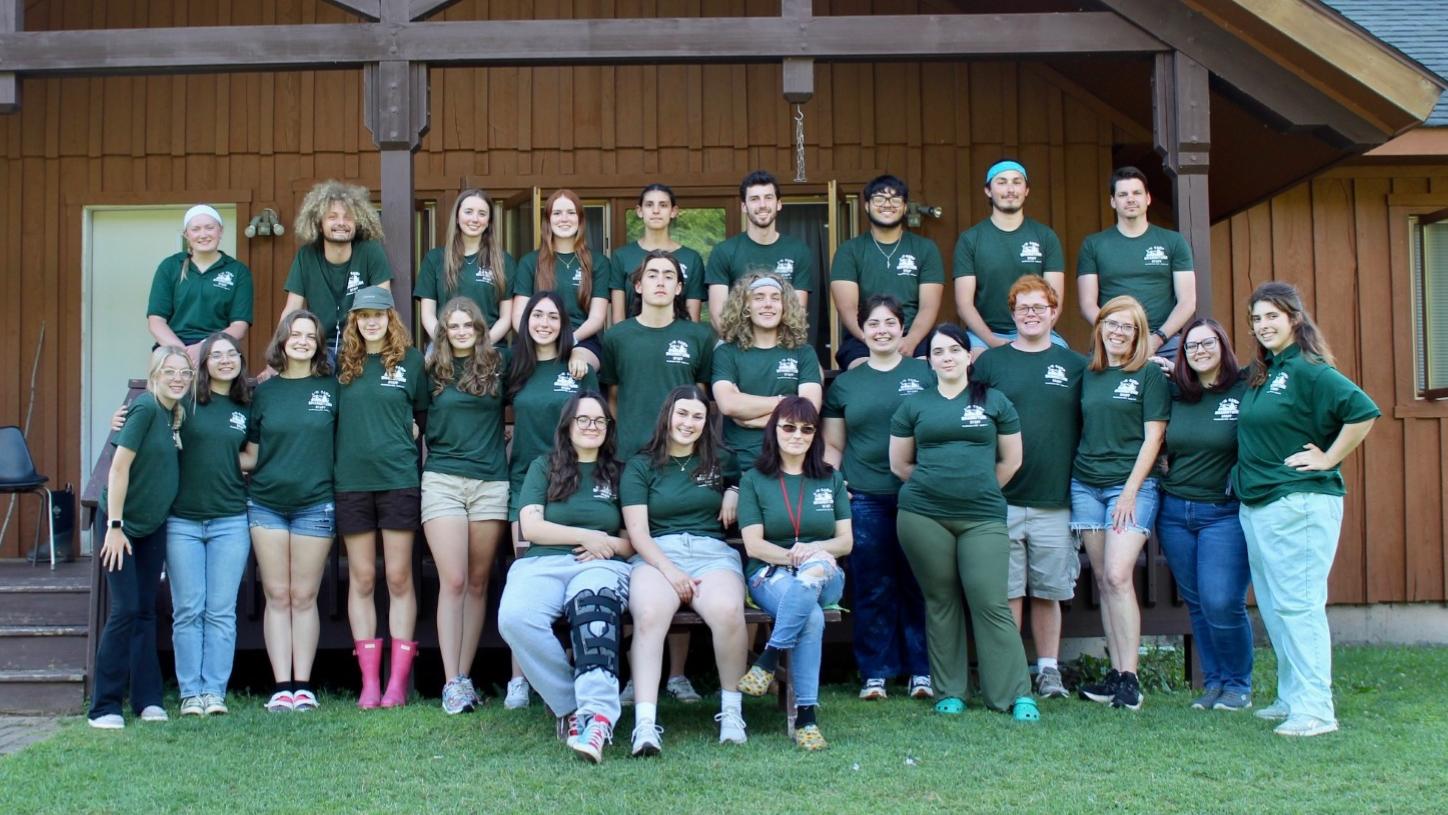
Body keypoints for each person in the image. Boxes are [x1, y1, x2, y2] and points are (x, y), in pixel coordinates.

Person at [1232, 281, 1378, 737]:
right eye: (1256, 318)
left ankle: (1316, 710)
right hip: (1259, 504)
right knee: (1276, 606)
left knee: (1299, 606)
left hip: (1299, 503)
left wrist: (1328, 458)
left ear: (1294, 318)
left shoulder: (1309, 369)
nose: (1263, 325)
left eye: (1271, 316)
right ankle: (1292, 696)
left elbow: (1363, 411)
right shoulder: (1268, 370)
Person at [888, 324, 1037, 722]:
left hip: (983, 517)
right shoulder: (914, 406)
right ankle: (950, 691)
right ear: (930, 360)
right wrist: (938, 486)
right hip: (923, 515)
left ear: (969, 355)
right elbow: (900, 464)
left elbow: (1012, 461)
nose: (947, 357)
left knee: (990, 602)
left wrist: (978, 487)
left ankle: (1014, 694)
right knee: (940, 602)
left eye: (954, 350)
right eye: (938, 352)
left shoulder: (995, 401)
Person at [498, 391, 636, 765]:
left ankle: (596, 717)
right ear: (568, 426)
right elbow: (531, 527)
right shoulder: (544, 467)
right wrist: (585, 535)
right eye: (583, 420)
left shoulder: (622, 472)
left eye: (599, 421)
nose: (591, 427)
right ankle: (571, 704)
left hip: (600, 565)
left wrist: (603, 543)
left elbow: (633, 541)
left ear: (609, 429)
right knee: (514, 617)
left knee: (593, 609)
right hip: (543, 564)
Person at [972, 276, 1086, 699]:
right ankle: (1012, 670)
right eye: (1023, 307)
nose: (1032, 314)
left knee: (1048, 590)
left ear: (1054, 312)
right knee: (1007, 591)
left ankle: (1049, 670)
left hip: (1054, 498)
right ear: (1012, 314)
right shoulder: (991, 364)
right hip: (1000, 497)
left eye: (1040, 307)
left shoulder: (1074, 365)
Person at [622, 386, 748, 755]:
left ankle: (731, 712)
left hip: (711, 554)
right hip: (657, 554)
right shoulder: (641, 464)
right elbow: (637, 533)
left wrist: (734, 490)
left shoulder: (720, 460)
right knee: (648, 614)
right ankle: (645, 723)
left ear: (706, 422)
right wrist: (671, 570)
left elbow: (748, 477)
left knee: (727, 611)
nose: (688, 423)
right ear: (667, 415)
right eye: (682, 414)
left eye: (697, 416)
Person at [821, 295, 933, 701]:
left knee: (920, 581)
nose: (882, 330)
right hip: (864, 496)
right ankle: (875, 673)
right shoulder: (847, 384)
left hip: (918, 495)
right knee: (872, 584)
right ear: (862, 330)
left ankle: (922, 670)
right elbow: (833, 446)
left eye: (890, 323)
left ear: (903, 328)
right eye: (873, 323)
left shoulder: (925, 375)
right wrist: (836, 487)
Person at [736, 398, 853, 751]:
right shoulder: (754, 480)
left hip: (824, 574)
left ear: (816, 435)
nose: (797, 435)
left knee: (813, 572)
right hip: (771, 574)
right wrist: (794, 555)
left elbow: (845, 542)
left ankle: (768, 658)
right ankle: (806, 719)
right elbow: (754, 546)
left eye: (806, 428)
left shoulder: (830, 479)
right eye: (788, 427)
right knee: (812, 617)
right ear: (774, 430)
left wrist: (814, 554)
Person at [1071, 296, 1169, 711]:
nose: (1117, 332)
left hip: (1130, 488)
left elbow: (1154, 437)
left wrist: (1130, 489)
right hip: (1084, 486)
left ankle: (1130, 678)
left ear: (1138, 334)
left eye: (1127, 327)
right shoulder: (1088, 373)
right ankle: (1114, 674)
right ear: (1100, 328)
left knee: (1117, 574)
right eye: (1112, 324)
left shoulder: (1148, 374)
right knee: (1103, 580)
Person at [334, 286, 430, 709]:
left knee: (398, 577)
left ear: (391, 317)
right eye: (363, 315)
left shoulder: (410, 361)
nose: (371, 321)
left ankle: (397, 682)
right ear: (353, 320)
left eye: (379, 314)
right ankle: (369, 681)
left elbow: (424, 418)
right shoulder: (342, 363)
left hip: (398, 479)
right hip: (352, 481)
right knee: (362, 578)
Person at [502, 291, 598, 708]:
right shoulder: (513, 364)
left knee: (577, 572)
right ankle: (520, 680)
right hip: (525, 479)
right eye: (536, 315)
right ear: (526, 321)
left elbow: (597, 417)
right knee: (525, 577)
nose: (544, 322)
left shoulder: (576, 366)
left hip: (574, 482)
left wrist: (580, 349)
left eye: (553, 316)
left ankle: (576, 665)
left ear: (564, 324)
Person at [88, 346, 191, 729]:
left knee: (147, 611)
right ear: (154, 375)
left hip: (152, 527)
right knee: (125, 609)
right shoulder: (146, 408)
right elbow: (118, 470)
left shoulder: (172, 415)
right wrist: (115, 527)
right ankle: (104, 706)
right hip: (121, 527)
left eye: (185, 372)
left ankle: (147, 700)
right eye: (170, 371)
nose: (178, 378)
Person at [1157, 318, 1253, 713]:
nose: (1199, 351)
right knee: (1197, 602)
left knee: (1221, 600)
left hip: (1223, 513)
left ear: (1223, 345)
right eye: (1191, 346)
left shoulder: (1244, 387)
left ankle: (1238, 684)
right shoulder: (1178, 394)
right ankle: (1213, 683)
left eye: (1207, 343)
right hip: (1175, 511)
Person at [245, 310, 338, 712]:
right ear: (282, 341)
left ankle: (304, 686)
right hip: (266, 503)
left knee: (304, 595)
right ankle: (281, 686)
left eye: (310, 335)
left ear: (318, 344)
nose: (301, 341)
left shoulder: (333, 389)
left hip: (316, 504)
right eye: (294, 334)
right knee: (277, 594)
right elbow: (250, 454)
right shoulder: (264, 393)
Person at [423, 298, 510, 714]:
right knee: (454, 580)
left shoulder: (498, 364)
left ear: (480, 329)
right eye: (452, 326)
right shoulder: (430, 370)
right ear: (443, 330)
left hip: (491, 482)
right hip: (443, 480)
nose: (460, 332)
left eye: (467, 326)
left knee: (478, 581)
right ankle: (450, 680)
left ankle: (465, 676)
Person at [166, 333, 254, 717]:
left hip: (230, 520)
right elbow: (150, 419)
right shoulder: (184, 401)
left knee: (220, 610)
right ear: (202, 364)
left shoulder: (245, 405)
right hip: (182, 520)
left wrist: (225, 463)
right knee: (188, 608)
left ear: (239, 361)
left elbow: (253, 454)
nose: (224, 360)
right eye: (215, 355)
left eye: (231, 354)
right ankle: (190, 692)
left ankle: (214, 692)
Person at [600, 250, 715, 459]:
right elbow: (613, 397)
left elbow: (701, 395)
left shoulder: (700, 336)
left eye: (669, 276)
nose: (660, 282)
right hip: (630, 455)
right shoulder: (616, 337)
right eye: (652, 275)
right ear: (638, 286)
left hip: (681, 453)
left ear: (679, 288)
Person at [1076, 167, 1195, 359]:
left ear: (1148, 198)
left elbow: (1187, 302)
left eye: (1136, 193)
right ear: (1113, 202)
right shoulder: (1093, 244)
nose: (1130, 199)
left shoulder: (1174, 242)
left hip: (1164, 341)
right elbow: (1087, 304)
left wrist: (1157, 339)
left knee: (1188, 379)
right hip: (1113, 340)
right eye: (1122, 194)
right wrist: (1117, 334)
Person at [953, 160, 1067, 358]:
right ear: (988, 190)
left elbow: (1054, 300)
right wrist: (992, 341)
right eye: (1002, 182)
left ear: (1027, 189)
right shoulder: (971, 239)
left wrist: (1032, 336)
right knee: (976, 364)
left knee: (1061, 364)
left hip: (1037, 330)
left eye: (1017, 182)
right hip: (984, 335)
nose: (1010, 189)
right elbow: (964, 305)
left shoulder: (1046, 236)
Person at [712, 272, 822, 475]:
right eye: (759, 297)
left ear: (785, 306)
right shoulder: (726, 352)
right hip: (739, 466)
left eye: (775, 298)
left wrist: (749, 418)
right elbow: (728, 404)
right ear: (746, 306)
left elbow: (809, 410)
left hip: (791, 465)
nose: (768, 304)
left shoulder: (803, 352)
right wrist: (787, 401)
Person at [829, 175, 944, 368]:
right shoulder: (849, 251)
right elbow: (847, 308)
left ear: (905, 206)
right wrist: (872, 340)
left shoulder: (925, 248)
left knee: (927, 372)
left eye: (895, 199)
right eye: (879, 198)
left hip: (912, 337)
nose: (887, 204)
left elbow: (928, 307)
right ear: (866, 205)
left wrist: (911, 341)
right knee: (863, 371)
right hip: (863, 337)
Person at [280, 181, 392, 360]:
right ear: (319, 222)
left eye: (348, 217)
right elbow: (292, 309)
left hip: (362, 344)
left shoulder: (370, 251)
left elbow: (384, 303)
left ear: (358, 221)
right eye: (332, 217)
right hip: (317, 346)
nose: (341, 223)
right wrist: (278, 354)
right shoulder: (306, 255)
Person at [511, 189, 610, 370]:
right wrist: (539, 341)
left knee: (579, 369)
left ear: (580, 219)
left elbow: (597, 317)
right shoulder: (529, 262)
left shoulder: (598, 262)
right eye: (557, 213)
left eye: (571, 213)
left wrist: (569, 340)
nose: (564, 218)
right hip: (536, 339)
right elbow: (518, 316)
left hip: (580, 339)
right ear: (548, 220)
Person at [705, 170, 813, 330]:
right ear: (744, 206)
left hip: (784, 345)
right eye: (754, 199)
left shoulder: (798, 251)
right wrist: (747, 347)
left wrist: (770, 346)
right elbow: (718, 316)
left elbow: (797, 313)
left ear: (779, 203)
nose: (762, 205)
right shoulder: (724, 251)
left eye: (768, 198)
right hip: (737, 346)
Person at [145, 205, 253, 362]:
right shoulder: (170, 266)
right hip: (173, 348)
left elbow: (239, 326)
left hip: (218, 350)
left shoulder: (238, 271)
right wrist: (183, 354)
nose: (203, 234)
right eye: (196, 229)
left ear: (220, 231)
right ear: (186, 234)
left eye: (209, 228)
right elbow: (156, 322)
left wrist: (205, 348)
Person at [417, 188, 514, 346]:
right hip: (444, 348)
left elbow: (506, 318)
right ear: (457, 217)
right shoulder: (434, 259)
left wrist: (482, 345)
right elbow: (427, 315)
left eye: (482, 214)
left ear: (489, 221)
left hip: (490, 347)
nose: (475, 219)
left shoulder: (504, 261)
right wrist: (447, 345)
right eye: (468, 212)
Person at [609, 184, 706, 323]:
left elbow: (693, 320)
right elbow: (618, 319)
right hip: (633, 340)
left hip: (677, 342)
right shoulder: (622, 256)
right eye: (649, 205)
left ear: (673, 211)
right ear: (639, 211)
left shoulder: (691, 258)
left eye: (663, 205)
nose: (656, 211)